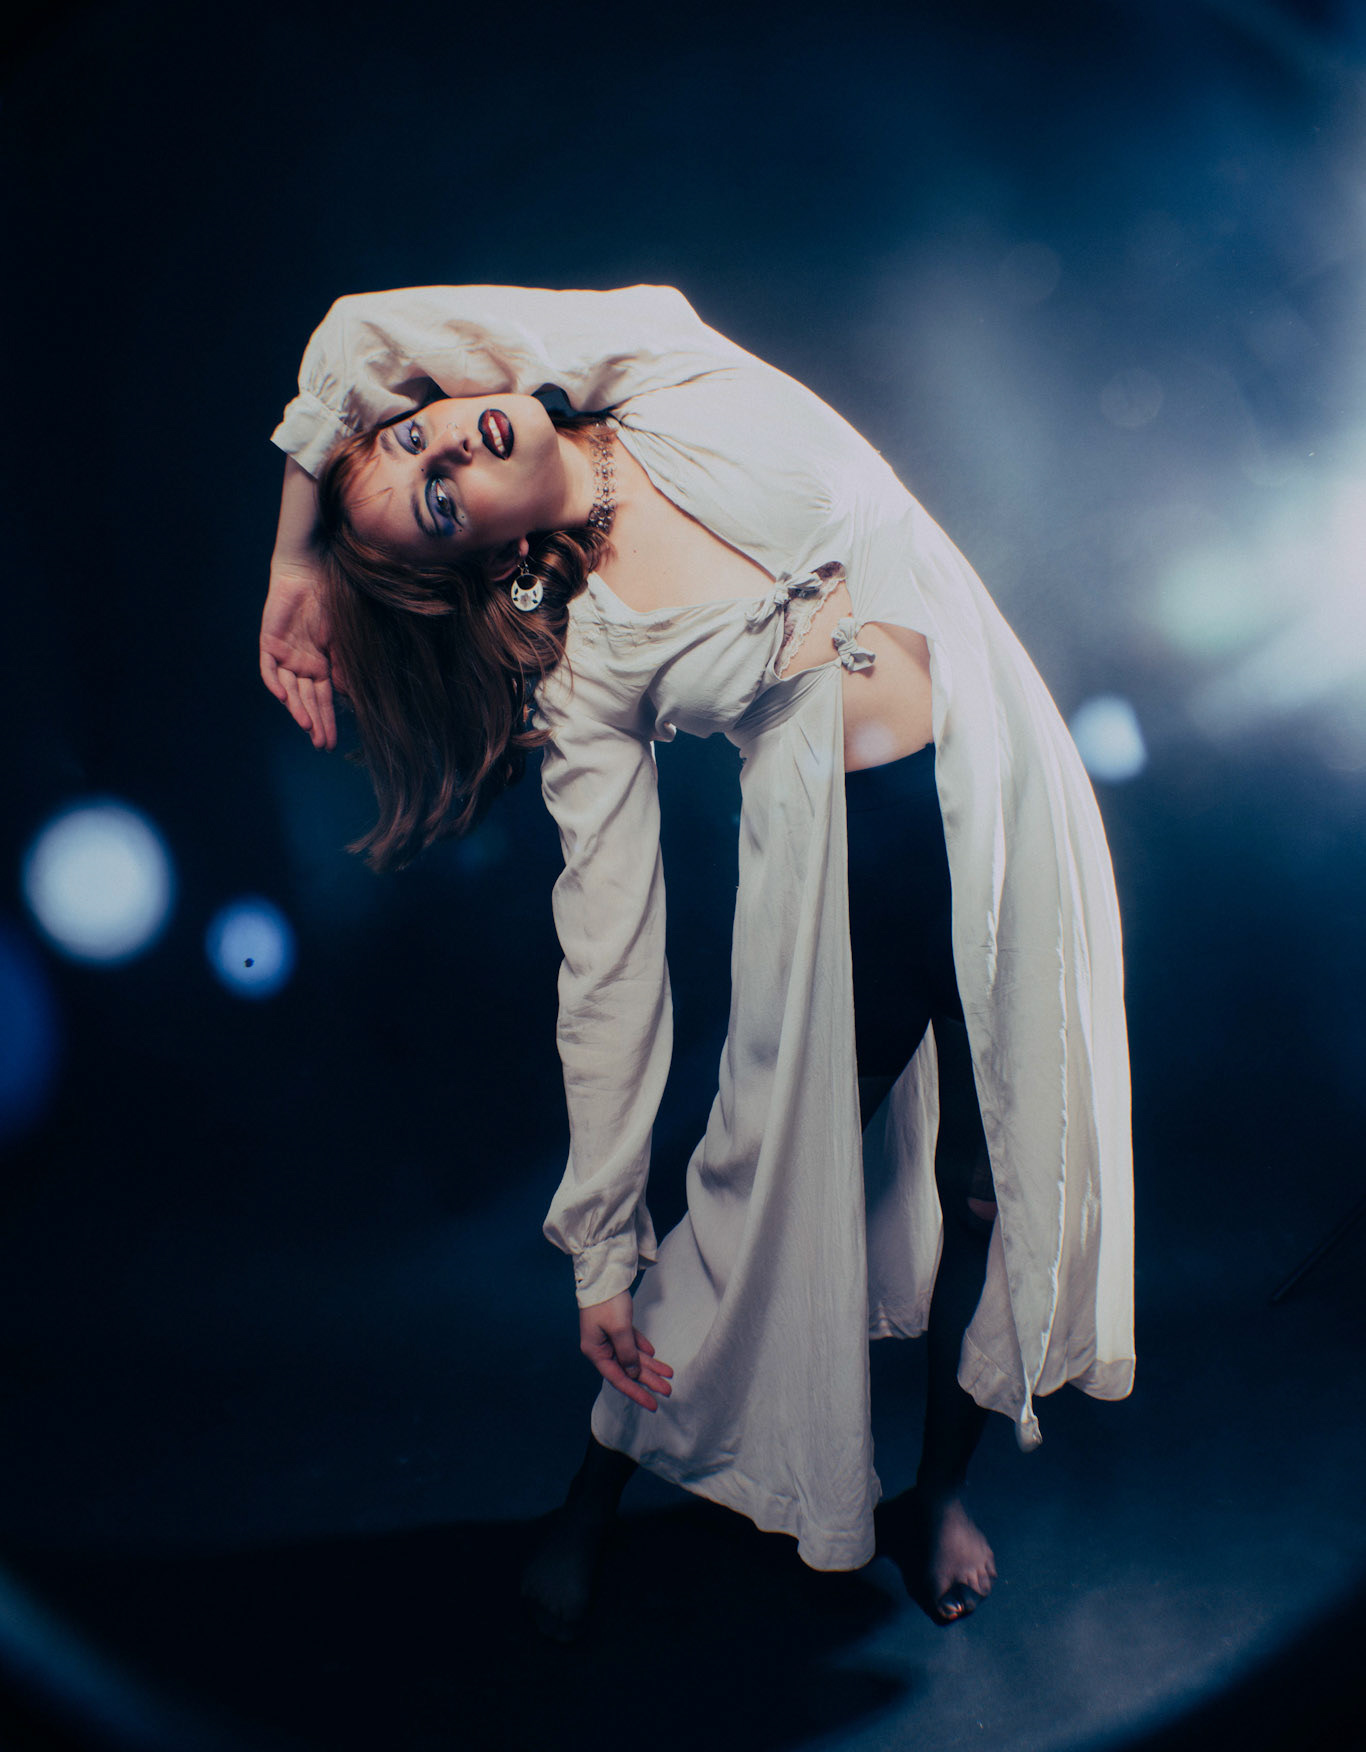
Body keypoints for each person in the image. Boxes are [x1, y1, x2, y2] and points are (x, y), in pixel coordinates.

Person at [259, 282, 1134, 1637]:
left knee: (987, 1187)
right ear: (489, 556)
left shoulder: (661, 364)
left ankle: (942, 1493)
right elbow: (607, 958)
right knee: (743, 1199)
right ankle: (590, 1498)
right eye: (435, 498)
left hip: (1006, 808)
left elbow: (356, 333)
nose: (450, 449)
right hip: (843, 901)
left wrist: (298, 556)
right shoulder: (587, 664)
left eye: (423, 431)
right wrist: (599, 1253)